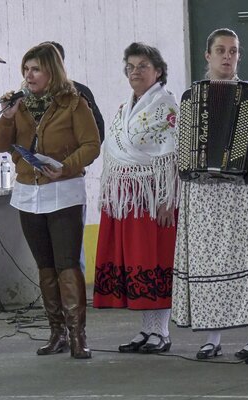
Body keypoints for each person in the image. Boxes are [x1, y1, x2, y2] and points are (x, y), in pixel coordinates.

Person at [171, 28, 248, 359]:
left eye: (233, 51)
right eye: (221, 50)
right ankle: (212, 337)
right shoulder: (191, 99)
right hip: (204, 196)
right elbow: (181, 146)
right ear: (208, 55)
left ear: (239, 56)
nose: (227, 56)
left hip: (247, 193)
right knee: (207, 262)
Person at [0, 43, 100, 359]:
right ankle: (57, 333)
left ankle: (78, 335)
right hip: (29, 193)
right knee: (46, 266)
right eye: (26, 69)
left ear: (51, 71)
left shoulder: (74, 103)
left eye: (36, 69)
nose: (29, 75)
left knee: (67, 264)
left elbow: (91, 145)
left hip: (64, 192)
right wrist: (8, 117)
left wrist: (65, 166)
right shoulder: (19, 106)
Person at [93, 42, 178, 354]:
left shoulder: (166, 106)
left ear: (158, 71)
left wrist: (167, 199)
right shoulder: (125, 107)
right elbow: (113, 149)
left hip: (153, 197)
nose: (135, 72)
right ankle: (147, 328)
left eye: (143, 66)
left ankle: (161, 332)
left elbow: (173, 154)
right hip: (126, 197)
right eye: (130, 66)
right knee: (136, 262)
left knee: (154, 260)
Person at [43, 41, 105, 274]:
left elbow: (96, 136)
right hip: (38, 184)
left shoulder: (78, 93)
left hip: (69, 180)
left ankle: (74, 293)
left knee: (71, 252)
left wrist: (73, 163)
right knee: (47, 256)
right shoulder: (30, 97)